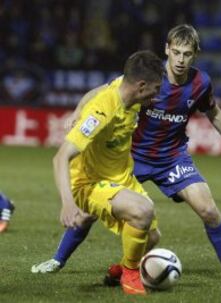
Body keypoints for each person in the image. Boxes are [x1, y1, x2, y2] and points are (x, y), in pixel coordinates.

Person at [31, 24, 221, 285]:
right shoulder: (149, 77)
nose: (181, 60)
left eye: (187, 54)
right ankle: (58, 260)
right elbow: (101, 92)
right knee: (87, 213)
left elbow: (215, 113)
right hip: (134, 157)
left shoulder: (200, 83)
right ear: (167, 50)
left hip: (172, 158)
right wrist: (77, 112)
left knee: (208, 210)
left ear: (195, 54)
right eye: (176, 52)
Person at [39, 50, 164, 296]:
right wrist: (68, 203)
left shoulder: (124, 86)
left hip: (120, 176)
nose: (158, 94)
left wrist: (76, 110)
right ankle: (130, 275)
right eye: (156, 88)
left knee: (151, 238)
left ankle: (117, 270)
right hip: (90, 182)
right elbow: (60, 157)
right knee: (142, 211)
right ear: (141, 86)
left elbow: (95, 90)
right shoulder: (102, 112)